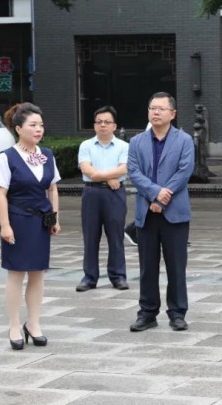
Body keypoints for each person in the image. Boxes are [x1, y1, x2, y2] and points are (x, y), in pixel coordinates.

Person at [0, 103, 61, 350]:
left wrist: (54, 219)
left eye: (41, 125)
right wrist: (5, 225)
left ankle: (33, 324)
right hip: (18, 221)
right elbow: (0, 193)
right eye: (33, 125)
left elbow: (52, 188)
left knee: (37, 273)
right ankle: (14, 325)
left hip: (41, 221)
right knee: (16, 274)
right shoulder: (7, 157)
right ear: (18, 128)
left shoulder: (47, 155)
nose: (38, 129)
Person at [127, 93, 195, 332]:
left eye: (161, 109)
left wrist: (163, 199)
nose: (155, 112)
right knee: (147, 267)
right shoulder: (136, 142)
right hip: (146, 213)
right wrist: (156, 193)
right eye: (152, 108)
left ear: (172, 114)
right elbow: (134, 172)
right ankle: (147, 313)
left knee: (176, 266)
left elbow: (184, 171)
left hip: (174, 213)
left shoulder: (184, 140)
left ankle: (177, 313)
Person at [76, 106, 129, 292]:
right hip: (92, 193)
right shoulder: (86, 145)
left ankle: (118, 276)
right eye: (99, 122)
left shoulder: (124, 146)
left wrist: (103, 176)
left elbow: (124, 168)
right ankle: (89, 278)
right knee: (90, 236)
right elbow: (87, 170)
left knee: (116, 236)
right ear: (94, 125)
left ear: (114, 126)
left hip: (115, 194)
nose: (103, 125)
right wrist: (109, 178)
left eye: (107, 122)